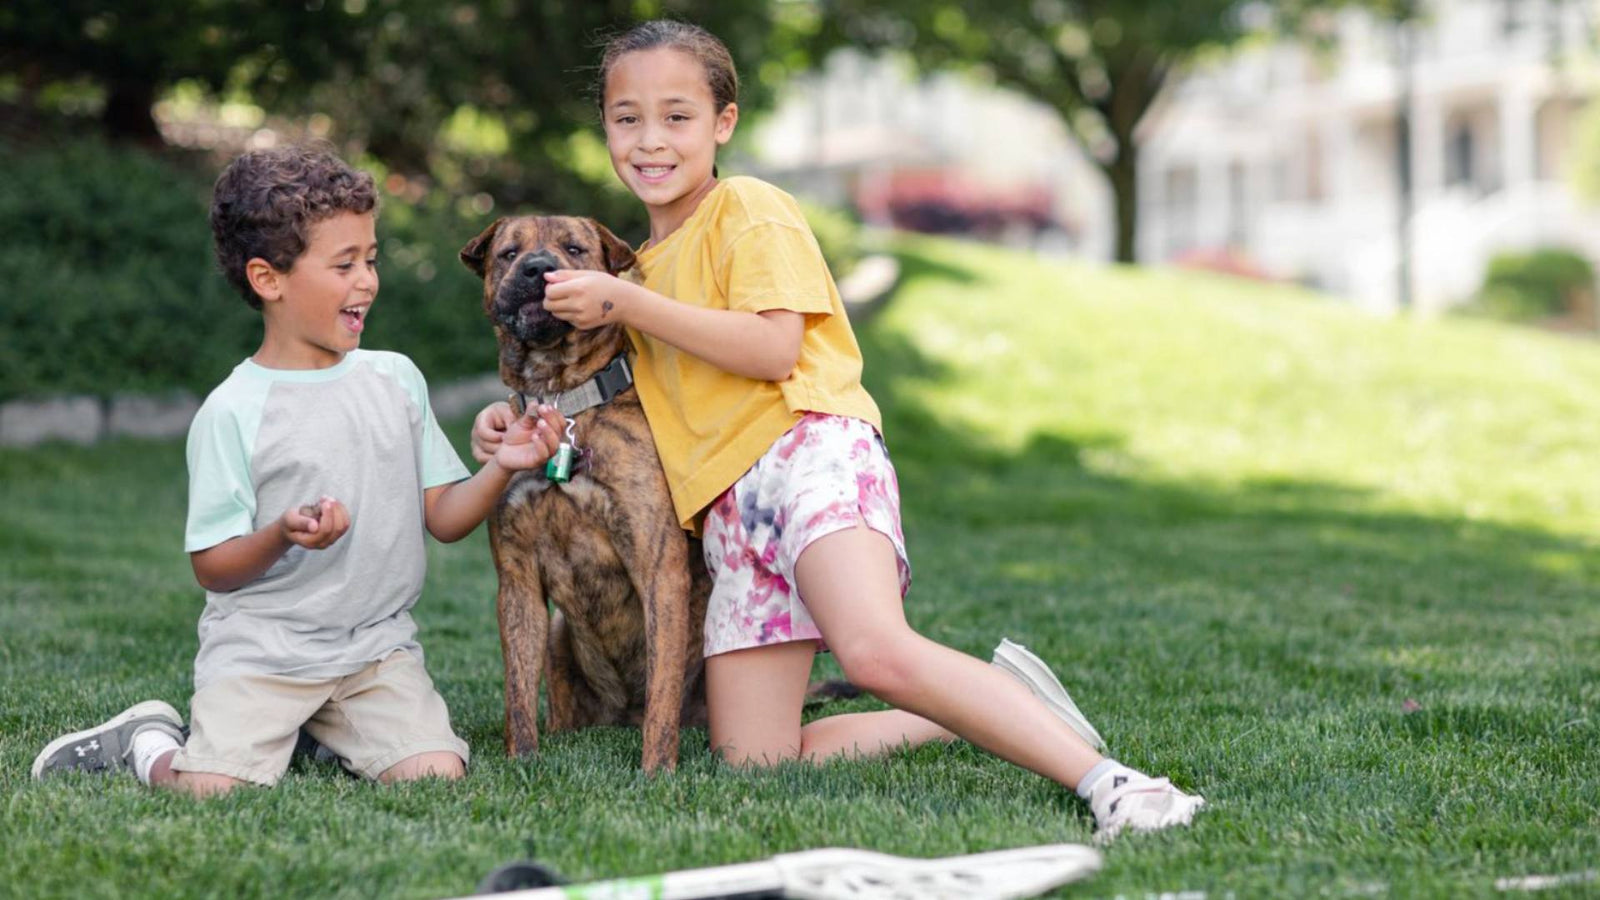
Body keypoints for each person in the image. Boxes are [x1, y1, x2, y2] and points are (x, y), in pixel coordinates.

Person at [469, 19, 1205, 840]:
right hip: (727, 513)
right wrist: (516, 422)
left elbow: (774, 346)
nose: (650, 140)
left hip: (809, 452)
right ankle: (1002, 702)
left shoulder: (747, 210)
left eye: (677, 117)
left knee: (874, 652)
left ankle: (1119, 788)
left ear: (724, 123)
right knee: (754, 757)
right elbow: (612, 395)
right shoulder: (636, 266)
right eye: (626, 118)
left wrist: (630, 305)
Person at [32, 144, 565, 796]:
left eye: (370, 260)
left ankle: (314, 729)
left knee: (434, 775)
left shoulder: (395, 380)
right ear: (269, 279)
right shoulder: (233, 412)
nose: (367, 281)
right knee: (213, 789)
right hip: (263, 656)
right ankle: (146, 743)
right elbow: (213, 566)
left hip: (374, 653)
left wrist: (505, 466)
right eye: (344, 265)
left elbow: (445, 520)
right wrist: (282, 532)